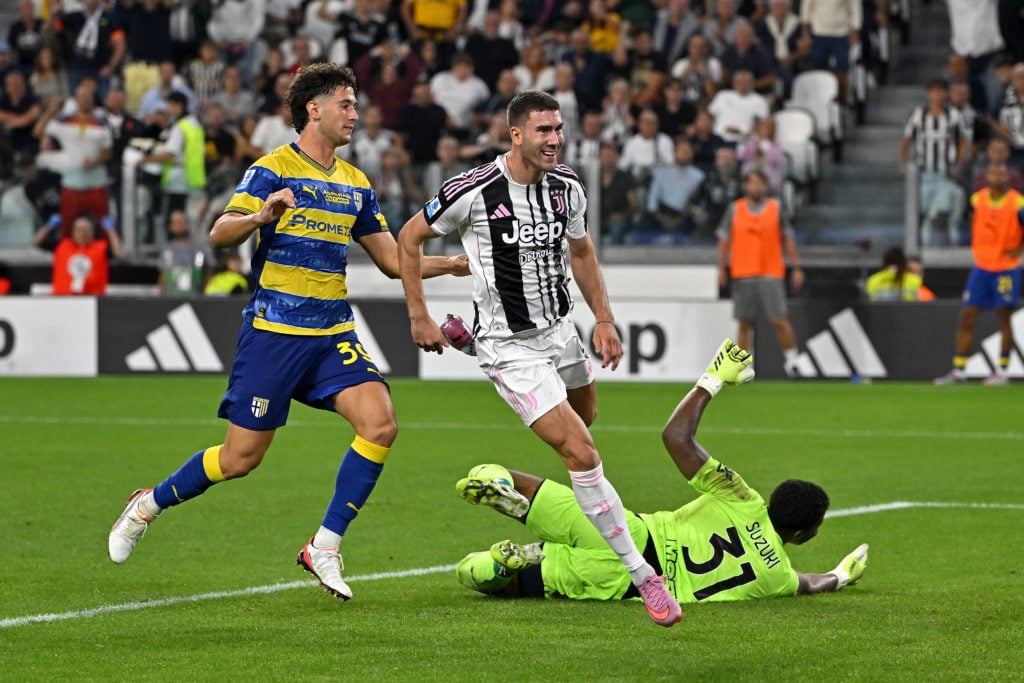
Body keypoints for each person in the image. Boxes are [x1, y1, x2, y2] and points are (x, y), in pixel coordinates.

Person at [107, 63, 469, 602]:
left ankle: (324, 545)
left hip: (330, 334)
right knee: (239, 460)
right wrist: (260, 217)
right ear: (313, 109)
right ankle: (148, 503)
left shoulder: (355, 184)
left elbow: (395, 261)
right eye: (345, 104)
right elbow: (220, 231)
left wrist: (451, 265)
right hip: (274, 334)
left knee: (381, 423)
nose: (355, 113)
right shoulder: (271, 169)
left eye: (355, 104)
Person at [396, 90, 683, 627]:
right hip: (511, 346)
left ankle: (465, 338)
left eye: (558, 129)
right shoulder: (473, 191)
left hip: (561, 332)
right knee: (581, 449)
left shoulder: (568, 188)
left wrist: (603, 318)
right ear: (516, 135)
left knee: (586, 416)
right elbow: (407, 240)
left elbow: (582, 251)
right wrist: (419, 315)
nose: (554, 140)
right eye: (543, 131)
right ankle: (645, 577)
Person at [454, 339, 870, 604]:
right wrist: (839, 576)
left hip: (625, 530)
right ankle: (501, 565)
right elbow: (809, 583)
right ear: (800, 534)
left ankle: (502, 486)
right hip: (626, 582)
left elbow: (676, 437)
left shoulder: (744, 499)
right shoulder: (776, 576)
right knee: (481, 579)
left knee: (510, 479)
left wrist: (713, 380)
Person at [934, 163, 1024, 386]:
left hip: (1006, 268)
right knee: (967, 315)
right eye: (993, 172)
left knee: (1004, 316)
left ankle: (1002, 371)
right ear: (986, 176)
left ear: (1008, 177)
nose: (997, 176)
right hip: (982, 266)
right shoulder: (977, 200)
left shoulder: (1018, 203)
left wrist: (1020, 248)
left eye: (1002, 172)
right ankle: (959, 370)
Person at [717, 169, 805, 377]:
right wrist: (721, 267)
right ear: (745, 186)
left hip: (770, 271)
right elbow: (724, 240)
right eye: (752, 183)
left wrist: (796, 266)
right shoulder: (735, 209)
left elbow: (788, 238)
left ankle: (792, 361)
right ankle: (743, 367)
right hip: (743, 271)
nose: (755, 187)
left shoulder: (776, 208)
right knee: (744, 321)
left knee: (779, 319)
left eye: (759, 183)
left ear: (765, 186)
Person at [899, 79, 967, 246]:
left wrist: (958, 163)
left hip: (945, 172)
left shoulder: (954, 115)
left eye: (941, 91)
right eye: (934, 91)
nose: (937, 95)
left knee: (942, 211)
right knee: (921, 213)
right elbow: (906, 140)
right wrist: (903, 163)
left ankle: (949, 247)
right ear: (928, 93)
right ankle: (920, 247)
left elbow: (962, 141)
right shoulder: (918, 114)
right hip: (924, 172)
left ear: (946, 93)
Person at [31, 213, 124, 295]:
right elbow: (36, 242)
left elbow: (118, 252)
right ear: (73, 232)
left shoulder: (100, 247)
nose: (83, 233)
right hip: (62, 297)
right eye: (79, 230)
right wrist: (48, 227)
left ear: (92, 233)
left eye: (86, 230)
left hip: (92, 299)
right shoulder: (62, 245)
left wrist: (111, 231)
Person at [158, 209, 211, 295]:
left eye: (182, 222)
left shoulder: (200, 248)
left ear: (187, 224)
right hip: (171, 299)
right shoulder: (166, 249)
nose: (179, 225)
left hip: (197, 298)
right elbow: (162, 275)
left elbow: (209, 272)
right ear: (171, 227)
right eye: (176, 223)